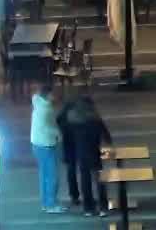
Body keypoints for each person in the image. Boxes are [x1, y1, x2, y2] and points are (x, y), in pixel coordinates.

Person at [63, 94, 113, 215]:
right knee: (99, 180)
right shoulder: (95, 119)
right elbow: (106, 136)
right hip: (95, 153)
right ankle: (103, 207)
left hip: (81, 154)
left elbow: (68, 138)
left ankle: (88, 208)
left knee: (85, 181)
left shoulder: (72, 120)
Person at [30, 82, 65, 213]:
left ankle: (45, 202)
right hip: (46, 144)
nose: (55, 96)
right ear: (48, 95)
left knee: (44, 175)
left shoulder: (38, 104)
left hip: (36, 144)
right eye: (53, 94)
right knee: (52, 176)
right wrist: (59, 135)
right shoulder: (47, 109)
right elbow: (50, 128)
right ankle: (51, 204)